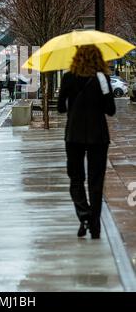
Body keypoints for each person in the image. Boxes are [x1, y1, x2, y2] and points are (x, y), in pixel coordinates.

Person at [57, 45, 116, 239]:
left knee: (76, 178)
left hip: (74, 135)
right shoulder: (102, 78)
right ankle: (95, 225)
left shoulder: (68, 77)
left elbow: (60, 108)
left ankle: (84, 214)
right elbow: (111, 110)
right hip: (98, 136)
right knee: (95, 181)